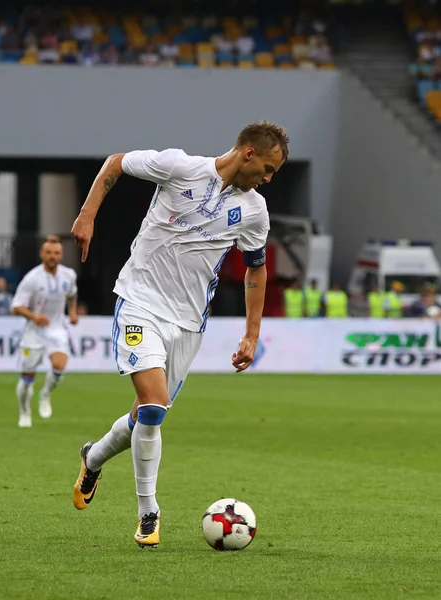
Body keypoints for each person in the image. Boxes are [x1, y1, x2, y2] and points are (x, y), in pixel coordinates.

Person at [70, 120, 289, 548]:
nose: (267, 178)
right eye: (267, 168)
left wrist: (251, 334)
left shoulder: (254, 211)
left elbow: (255, 270)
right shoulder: (179, 167)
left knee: (143, 416)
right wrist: (87, 214)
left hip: (188, 321)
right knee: (153, 408)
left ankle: (93, 457)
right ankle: (148, 513)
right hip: (139, 302)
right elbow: (115, 163)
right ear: (248, 153)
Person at [11, 235, 78, 428]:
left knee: (59, 365)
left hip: (56, 329)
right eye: (48, 252)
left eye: (56, 253)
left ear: (61, 255)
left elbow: (72, 294)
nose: (52, 256)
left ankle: (45, 394)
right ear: (42, 254)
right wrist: (34, 317)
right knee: (27, 378)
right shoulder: (32, 279)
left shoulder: (69, 275)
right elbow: (17, 306)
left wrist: (72, 312)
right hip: (34, 332)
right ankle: (24, 410)